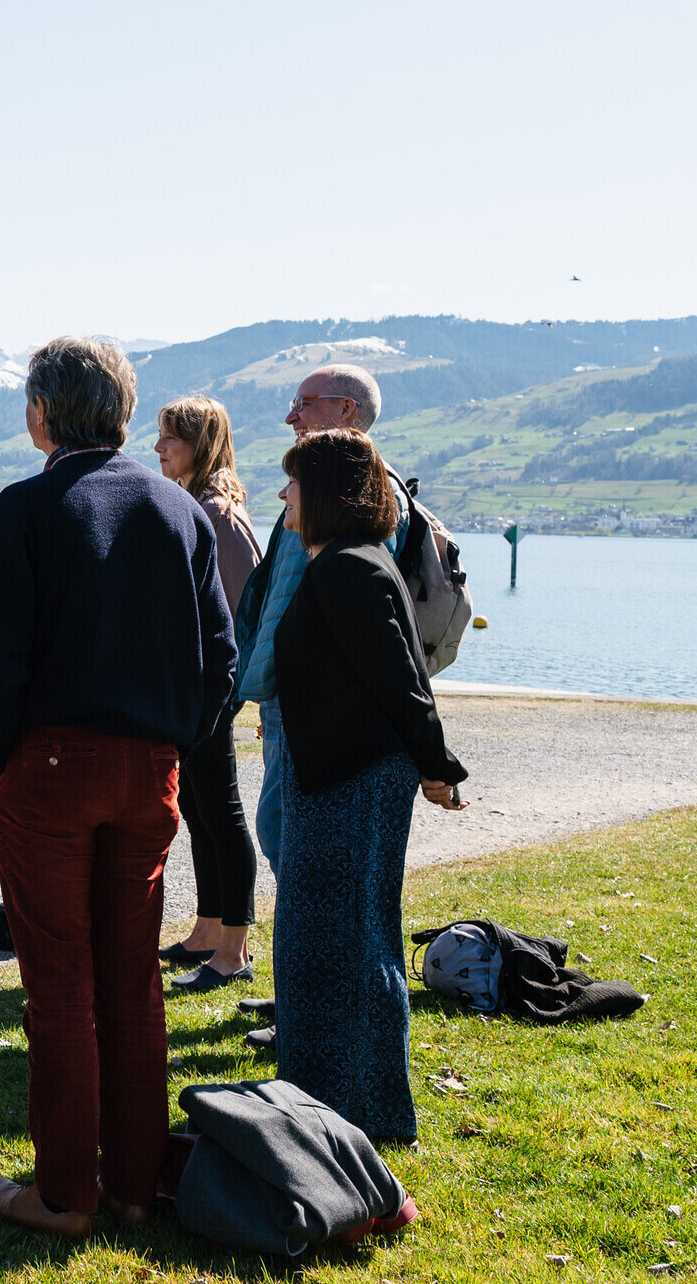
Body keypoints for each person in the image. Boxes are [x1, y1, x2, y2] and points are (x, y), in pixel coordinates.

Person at [0, 337, 237, 1239]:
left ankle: (64, 1196)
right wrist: (173, 741)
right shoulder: (179, 509)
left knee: (59, 986)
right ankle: (130, 1185)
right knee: (129, 984)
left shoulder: (26, 508)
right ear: (118, 411)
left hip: (47, 769)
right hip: (146, 771)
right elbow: (219, 661)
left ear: (42, 413)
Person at [266, 429, 470, 1143]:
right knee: (344, 939)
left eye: (291, 482)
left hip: (348, 781)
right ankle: (339, 1104)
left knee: (341, 944)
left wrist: (436, 763)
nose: (282, 495)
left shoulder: (347, 569)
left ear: (320, 492)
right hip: (339, 774)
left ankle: (350, 1111)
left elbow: (399, 680)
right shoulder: (353, 562)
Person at [230, 364, 395, 1047]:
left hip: (320, 720)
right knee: (287, 849)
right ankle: (302, 996)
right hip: (288, 709)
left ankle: (319, 1008)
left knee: (313, 865)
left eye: (303, 404)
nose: (290, 416)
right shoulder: (313, 496)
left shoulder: (362, 507)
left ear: (347, 411)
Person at [148, 396, 265, 991]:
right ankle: (207, 929)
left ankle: (234, 949)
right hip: (189, 690)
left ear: (200, 443)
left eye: (171, 437)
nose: (159, 447)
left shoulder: (218, 514)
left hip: (210, 690)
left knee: (221, 812)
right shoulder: (196, 504)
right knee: (197, 809)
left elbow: (241, 614)